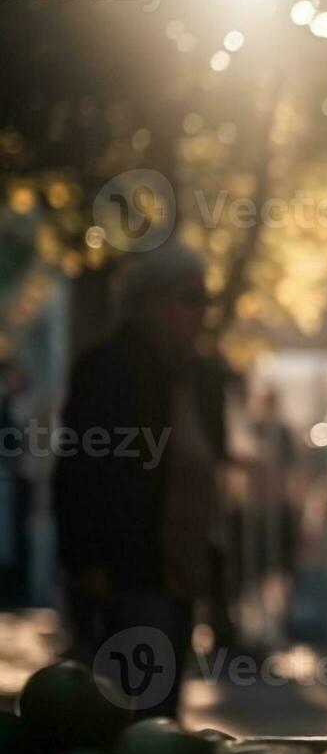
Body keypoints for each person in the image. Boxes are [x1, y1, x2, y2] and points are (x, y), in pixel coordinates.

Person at [54, 241, 227, 719]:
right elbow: (80, 475)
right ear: (152, 303)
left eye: (204, 299)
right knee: (131, 718)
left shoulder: (200, 376)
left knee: (162, 714)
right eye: (189, 298)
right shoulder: (109, 370)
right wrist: (85, 562)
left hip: (180, 574)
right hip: (129, 575)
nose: (201, 312)